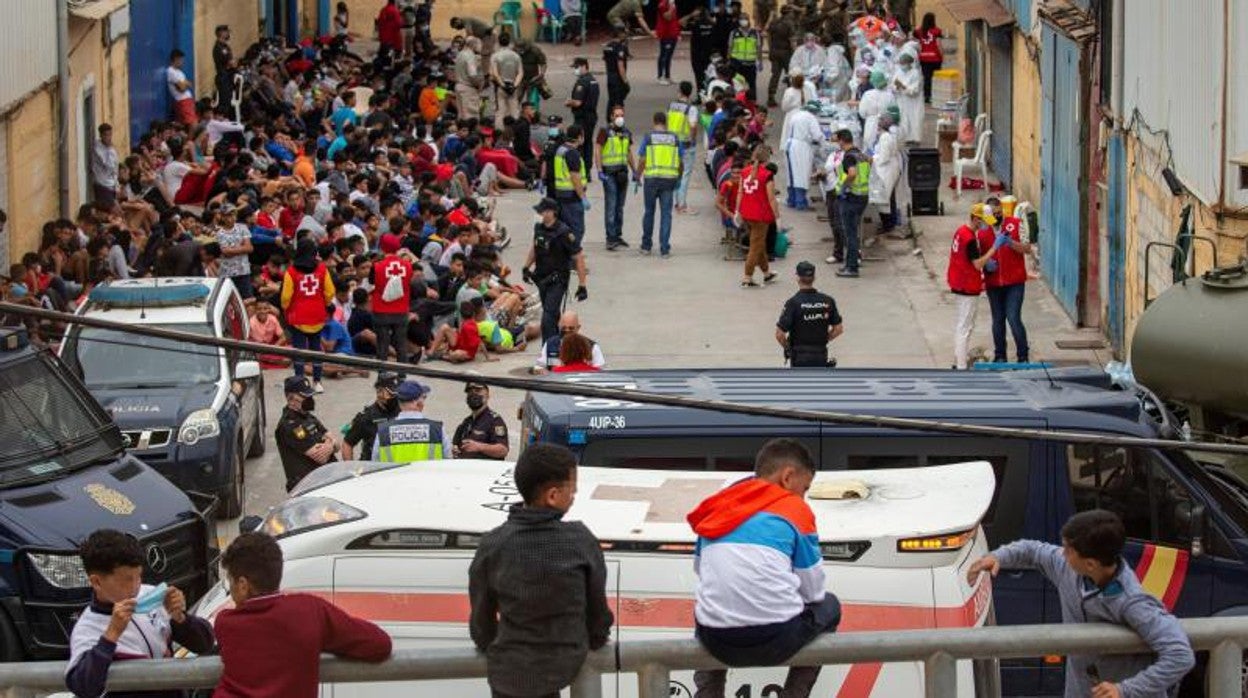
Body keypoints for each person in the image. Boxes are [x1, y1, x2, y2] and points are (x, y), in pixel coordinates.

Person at [966, 510, 1195, 698]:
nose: (1061, 553)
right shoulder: (1069, 568)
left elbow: (1180, 654)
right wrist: (998, 557)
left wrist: (1125, 690)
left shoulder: (1133, 601)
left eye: (1067, 550)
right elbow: (1033, 550)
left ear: (1091, 564)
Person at [686, 438, 841, 698]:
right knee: (830, 605)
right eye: (804, 488)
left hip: (715, 641)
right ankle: (795, 694)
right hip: (775, 640)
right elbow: (813, 592)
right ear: (788, 476)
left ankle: (708, 692)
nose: (803, 497)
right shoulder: (795, 510)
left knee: (709, 604)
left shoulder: (716, 508)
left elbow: (702, 570)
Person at [469, 443, 614, 698]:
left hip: (507, 677)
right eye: (572, 486)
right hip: (566, 666)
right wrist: (595, 639)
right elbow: (598, 617)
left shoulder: (493, 544)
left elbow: (481, 624)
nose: (576, 491)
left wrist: (492, 646)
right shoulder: (580, 541)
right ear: (553, 496)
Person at [213, 532, 392, 698]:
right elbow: (380, 644)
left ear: (243, 585)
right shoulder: (309, 610)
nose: (232, 593)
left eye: (231, 583)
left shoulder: (225, 623)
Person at [65, 529, 214, 698]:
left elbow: (205, 643)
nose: (136, 587)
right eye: (127, 580)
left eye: (139, 577)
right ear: (97, 582)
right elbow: (83, 688)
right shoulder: (88, 629)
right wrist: (111, 636)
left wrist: (180, 617)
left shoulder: (149, 595)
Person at [525, 198, 589, 342]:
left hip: (557, 280)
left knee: (548, 317)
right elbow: (535, 248)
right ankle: (559, 344)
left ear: (552, 212)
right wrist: (526, 267)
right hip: (541, 278)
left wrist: (582, 284)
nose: (540, 214)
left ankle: (547, 351)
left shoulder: (564, 233)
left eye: (543, 211)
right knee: (552, 316)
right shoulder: (539, 228)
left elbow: (578, 257)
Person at [947, 203, 1002, 369]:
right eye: (984, 221)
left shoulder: (961, 231)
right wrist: (994, 249)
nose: (986, 225)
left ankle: (959, 361)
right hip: (967, 285)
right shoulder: (970, 238)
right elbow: (977, 264)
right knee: (965, 327)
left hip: (959, 281)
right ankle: (961, 366)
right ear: (976, 219)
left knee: (963, 325)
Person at [281, 238, 335, 391]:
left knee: (299, 351)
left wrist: (286, 308)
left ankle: (300, 382)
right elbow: (330, 292)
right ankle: (317, 382)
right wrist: (324, 303)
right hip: (317, 315)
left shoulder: (291, 271)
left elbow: (286, 297)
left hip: (297, 317)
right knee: (316, 349)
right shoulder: (322, 269)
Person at [984, 197, 1032, 363]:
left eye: (999, 213)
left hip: (1014, 282)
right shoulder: (983, 230)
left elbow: (1027, 249)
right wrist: (986, 264)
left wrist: (1010, 242)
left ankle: (1023, 355)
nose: (996, 217)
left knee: (1013, 317)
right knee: (997, 319)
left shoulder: (1015, 224)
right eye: (993, 214)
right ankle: (1000, 355)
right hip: (993, 283)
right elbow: (976, 257)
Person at [274, 376, 337, 491]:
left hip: (324, 480)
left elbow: (336, 443)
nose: (310, 399)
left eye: (310, 395)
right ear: (290, 398)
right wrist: (330, 443)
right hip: (306, 487)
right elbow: (321, 458)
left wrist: (330, 444)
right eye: (304, 396)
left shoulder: (308, 416)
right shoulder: (289, 425)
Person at [776, 261, 843, 367]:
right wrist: (823, 339)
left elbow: (779, 334)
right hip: (820, 353)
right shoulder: (828, 301)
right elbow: (838, 329)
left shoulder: (793, 303)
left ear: (797, 278)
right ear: (814, 278)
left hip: (799, 356)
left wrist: (788, 348)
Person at [636, 111, 682, 258]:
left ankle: (646, 246)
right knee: (666, 215)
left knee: (649, 212)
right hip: (669, 180)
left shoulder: (648, 137)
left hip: (651, 179)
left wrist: (637, 176)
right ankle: (664, 249)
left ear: (654, 121)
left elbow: (642, 160)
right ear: (666, 122)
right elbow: (681, 162)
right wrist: (679, 177)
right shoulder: (674, 138)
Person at [372, 379, 452, 461]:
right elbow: (448, 461)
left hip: (395, 474)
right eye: (423, 397)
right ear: (418, 402)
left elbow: (375, 462)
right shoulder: (437, 429)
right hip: (427, 474)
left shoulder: (383, 431)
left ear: (399, 402)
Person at [736, 144, 781, 287]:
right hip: (761, 215)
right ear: (767, 159)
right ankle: (747, 276)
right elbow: (771, 198)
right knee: (755, 247)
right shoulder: (767, 175)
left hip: (746, 212)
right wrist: (777, 216)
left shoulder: (744, 172)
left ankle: (767, 273)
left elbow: (740, 192)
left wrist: (738, 210)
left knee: (758, 243)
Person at [595, 104, 637, 250]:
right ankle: (610, 238)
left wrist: (635, 171)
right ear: (611, 117)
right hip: (609, 174)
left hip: (622, 173)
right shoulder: (604, 132)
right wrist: (599, 169)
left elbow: (628, 153)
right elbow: (598, 150)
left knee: (620, 206)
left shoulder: (626, 132)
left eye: (622, 115)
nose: (620, 118)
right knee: (611, 205)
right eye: (617, 115)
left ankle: (618, 236)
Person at [831, 129, 869, 278]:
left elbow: (852, 173)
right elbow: (870, 162)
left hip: (851, 198)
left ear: (841, 141)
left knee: (850, 234)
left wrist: (843, 186)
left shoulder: (849, 157)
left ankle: (852, 267)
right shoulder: (861, 154)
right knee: (853, 232)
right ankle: (848, 264)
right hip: (862, 196)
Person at [370, 233, 413, 363]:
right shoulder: (408, 265)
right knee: (401, 344)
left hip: (381, 309)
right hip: (401, 309)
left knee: (382, 344)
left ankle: (383, 374)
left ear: (383, 247)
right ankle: (402, 375)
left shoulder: (377, 266)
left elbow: (372, 281)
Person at [341, 372, 402, 461]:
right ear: (379, 392)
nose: (395, 398)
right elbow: (347, 444)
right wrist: (351, 470)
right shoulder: (366, 417)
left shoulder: (403, 410)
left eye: (396, 393)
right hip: (372, 468)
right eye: (391, 394)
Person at [781, 101, 825, 211]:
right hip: (801, 148)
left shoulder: (796, 115)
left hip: (790, 145)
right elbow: (817, 135)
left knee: (791, 175)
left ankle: (791, 200)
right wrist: (823, 141)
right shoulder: (811, 118)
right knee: (801, 175)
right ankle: (800, 202)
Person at [532, 311, 607, 373]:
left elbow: (600, 372)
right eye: (564, 328)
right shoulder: (550, 344)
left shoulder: (592, 346)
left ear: (578, 328)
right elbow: (538, 367)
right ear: (559, 326)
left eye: (571, 328)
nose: (567, 331)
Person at [667, 81, 701, 216]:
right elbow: (693, 126)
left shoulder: (671, 105)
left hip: (672, 143)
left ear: (680, 91)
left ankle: (677, 202)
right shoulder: (691, 108)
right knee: (685, 174)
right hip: (685, 145)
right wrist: (693, 141)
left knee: (676, 173)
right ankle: (681, 205)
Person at [452, 381, 510, 459]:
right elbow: (456, 445)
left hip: (486, 470)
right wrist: (456, 451)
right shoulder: (466, 422)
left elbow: (503, 450)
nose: (473, 394)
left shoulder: (494, 421)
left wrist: (479, 447)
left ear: (487, 395)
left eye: (478, 391)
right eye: (470, 392)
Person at [552, 125, 588, 246]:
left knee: (565, 229)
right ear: (579, 137)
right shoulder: (572, 153)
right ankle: (573, 258)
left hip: (561, 195)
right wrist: (583, 197)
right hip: (572, 197)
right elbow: (575, 178)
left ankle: (564, 257)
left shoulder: (561, 150)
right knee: (577, 229)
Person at [566, 57, 600, 166]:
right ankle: (588, 167)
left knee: (580, 143)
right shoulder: (593, 80)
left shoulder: (582, 82)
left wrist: (568, 102)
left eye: (576, 67)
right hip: (591, 116)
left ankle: (581, 167)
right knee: (588, 142)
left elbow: (577, 102)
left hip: (582, 118)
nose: (575, 70)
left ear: (584, 66)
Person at [490, 33, 523, 129]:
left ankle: (499, 132)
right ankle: (516, 131)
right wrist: (514, 85)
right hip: (512, 85)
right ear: (510, 42)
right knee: (514, 110)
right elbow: (520, 73)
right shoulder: (516, 56)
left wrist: (502, 85)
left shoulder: (495, 56)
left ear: (498, 42)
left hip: (500, 87)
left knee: (500, 112)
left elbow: (495, 74)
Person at [765, 7, 797, 107]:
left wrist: (771, 49)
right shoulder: (789, 23)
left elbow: (769, 37)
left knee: (775, 75)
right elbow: (792, 40)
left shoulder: (774, 22)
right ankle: (791, 98)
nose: (793, 14)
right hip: (786, 53)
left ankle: (771, 98)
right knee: (790, 75)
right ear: (788, 13)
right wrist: (795, 53)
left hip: (774, 51)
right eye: (792, 12)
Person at [727, 13, 763, 101]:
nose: (744, 21)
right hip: (737, 64)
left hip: (750, 64)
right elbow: (730, 47)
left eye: (745, 19)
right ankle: (738, 102)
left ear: (748, 20)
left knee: (751, 86)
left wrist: (760, 61)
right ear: (739, 21)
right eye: (742, 19)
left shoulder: (755, 33)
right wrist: (728, 60)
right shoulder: (734, 33)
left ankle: (752, 103)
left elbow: (758, 48)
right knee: (737, 85)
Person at [893, 50, 924, 143]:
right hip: (901, 100)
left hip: (913, 102)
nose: (902, 65)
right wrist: (897, 87)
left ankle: (915, 139)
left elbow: (915, 90)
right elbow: (893, 84)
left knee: (914, 119)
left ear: (909, 63)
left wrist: (903, 87)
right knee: (903, 119)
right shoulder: (898, 72)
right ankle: (905, 138)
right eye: (901, 63)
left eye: (904, 63)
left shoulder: (915, 73)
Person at [914, 12, 943, 103]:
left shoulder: (919, 31)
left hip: (923, 58)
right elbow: (939, 44)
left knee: (927, 77)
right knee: (935, 77)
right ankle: (935, 95)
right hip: (935, 58)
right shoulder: (937, 31)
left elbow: (914, 39)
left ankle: (927, 96)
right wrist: (942, 55)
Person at [602, 29, 631, 116]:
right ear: (620, 34)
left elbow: (604, 59)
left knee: (611, 99)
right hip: (618, 78)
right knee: (618, 101)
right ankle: (618, 121)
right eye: (624, 33)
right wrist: (625, 80)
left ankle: (609, 119)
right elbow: (620, 65)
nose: (626, 35)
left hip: (610, 76)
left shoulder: (607, 46)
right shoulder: (620, 47)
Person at [455, 37, 485, 121]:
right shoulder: (470, 56)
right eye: (479, 44)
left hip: (459, 87)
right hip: (468, 89)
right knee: (471, 117)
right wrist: (479, 85)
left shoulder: (460, 54)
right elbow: (472, 75)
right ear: (474, 44)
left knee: (461, 116)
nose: (481, 47)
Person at [91, 124, 120, 208]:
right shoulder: (98, 148)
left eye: (110, 134)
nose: (108, 137)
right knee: (113, 211)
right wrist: (110, 149)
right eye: (106, 135)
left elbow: (115, 168)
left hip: (111, 185)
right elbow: (109, 165)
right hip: (102, 185)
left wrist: (116, 185)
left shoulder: (112, 149)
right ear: (101, 135)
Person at [167, 49, 196, 126]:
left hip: (188, 100)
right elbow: (182, 88)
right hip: (182, 101)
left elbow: (190, 84)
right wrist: (185, 84)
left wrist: (184, 84)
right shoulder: (171, 71)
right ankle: (190, 138)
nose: (183, 62)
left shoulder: (180, 72)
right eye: (181, 60)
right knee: (193, 124)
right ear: (176, 59)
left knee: (187, 124)